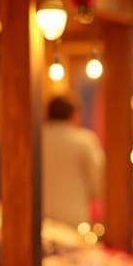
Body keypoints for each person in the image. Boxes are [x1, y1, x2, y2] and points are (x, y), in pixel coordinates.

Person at [41, 94, 105, 228]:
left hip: (40, 218)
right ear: (74, 115)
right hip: (74, 221)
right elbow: (100, 183)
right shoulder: (84, 141)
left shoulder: (35, 140)